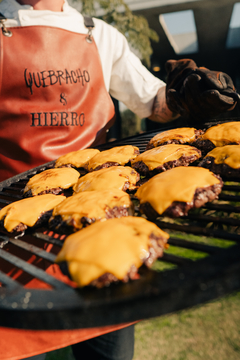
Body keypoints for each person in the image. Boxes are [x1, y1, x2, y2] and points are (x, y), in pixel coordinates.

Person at [0, 1, 238, 360]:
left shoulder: (100, 34)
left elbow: (153, 102)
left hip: (105, 223)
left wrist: (184, 94)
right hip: (16, 241)